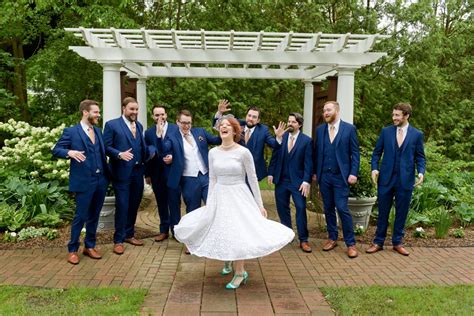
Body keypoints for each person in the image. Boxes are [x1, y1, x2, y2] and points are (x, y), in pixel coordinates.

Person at [174, 117, 294, 289]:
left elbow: (252, 179)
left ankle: (240, 272)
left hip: (239, 195)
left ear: (235, 131)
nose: (223, 127)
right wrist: (210, 202)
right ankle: (228, 260)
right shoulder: (213, 152)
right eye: (221, 126)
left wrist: (259, 205)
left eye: (227, 125)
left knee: (238, 231)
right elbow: (213, 178)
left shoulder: (243, 152)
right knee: (223, 228)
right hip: (220, 195)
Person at [52, 99, 110, 265]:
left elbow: (103, 151)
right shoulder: (71, 132)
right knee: (81, 216)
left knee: (94, 215)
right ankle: (72, 249)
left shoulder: (98, 131)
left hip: (101, 180)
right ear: (86, 112)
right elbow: (56, 149)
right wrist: (70, 152)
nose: (99, 115)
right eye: (96, 112)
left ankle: (90, 246)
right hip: (84, 181)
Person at [366, 102, 426, 256]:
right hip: (386, 179)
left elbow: (420, 157)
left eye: (397, 115)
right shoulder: (386, 132)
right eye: (393, 115)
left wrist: (421, 172)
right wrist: (374, 168)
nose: (394, 118)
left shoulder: (417, 134)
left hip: (405, 180)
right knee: (383, 212)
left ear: (406, 116)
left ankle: (397, 242)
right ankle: (378, 241)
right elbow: (376, 153)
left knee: (402, 212)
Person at [103, 97, 155, 255]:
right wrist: (118, 154)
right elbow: (105, 147)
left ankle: (129, 235)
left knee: (134, 204)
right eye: (132, 109)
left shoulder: (139, 126)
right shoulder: (112, 125)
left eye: (137, 109)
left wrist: (152, 152)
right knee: (123, 206)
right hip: (121, 173)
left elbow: (142, 146)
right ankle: (118, 240)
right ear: (124, 109)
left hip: (138, 173)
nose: (135, 112)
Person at [313, 101, 360, 258]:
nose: (325, 112)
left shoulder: (349, 129)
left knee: (342, 208)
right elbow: (316, 153)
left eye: (328, 110)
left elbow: (355, 154)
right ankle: (332, 238)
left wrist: (353, 173)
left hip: (341, 176)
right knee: (328, 208)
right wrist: (315, 173)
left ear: (337, 111)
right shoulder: (320, 131)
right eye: (324, 110)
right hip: (324, 176)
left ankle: (351, 243)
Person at [163, 109, 221, 227]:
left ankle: (213, 234)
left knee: (213, 206)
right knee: (193, 212)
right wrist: (159, 136)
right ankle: (193, 239)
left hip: (206, 177)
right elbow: (164, 148)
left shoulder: (200, 132)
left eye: (189, 123)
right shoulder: (172, 137)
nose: (186, 126)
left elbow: (217, 140)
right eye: (184, 123)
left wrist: (220, 118)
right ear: (177, 122)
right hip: (189, 180)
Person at [268, 112, 313, 253]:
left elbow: (308, 163)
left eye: (293, 122)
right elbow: (275, 155)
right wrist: (271, 172)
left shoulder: (307, 141)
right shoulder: (282, 137)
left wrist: (306, 180)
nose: (290, 124)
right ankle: (288, 235)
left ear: (299, 124)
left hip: (298, 182)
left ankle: (304, 240)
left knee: (300, 208)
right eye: (289, 121)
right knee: (282, 208)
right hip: (281, 180)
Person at [213, 100, 283, 181]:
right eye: (249, 115)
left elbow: (274, 144)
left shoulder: (263, 130)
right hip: (235, 169)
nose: (250, 118)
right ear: (246, 116)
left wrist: (278, 137)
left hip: (254, 172)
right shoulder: (237, 124)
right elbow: (218, 126)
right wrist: (219, 113)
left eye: (254, 117)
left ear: (258, 120)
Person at [144, 105, 179, 242]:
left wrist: (174, 158)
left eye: (162, 114)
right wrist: (147, 174)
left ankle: (176, 231)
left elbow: (182, 149)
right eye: (157, 115)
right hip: (156, 173)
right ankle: (163, 230)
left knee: (174, 202)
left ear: (166, 115)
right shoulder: (148, 133)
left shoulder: (176, 129)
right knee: (161, 202)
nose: (160, 118)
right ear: (153, 116)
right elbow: (146, 154)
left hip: (173, 172)